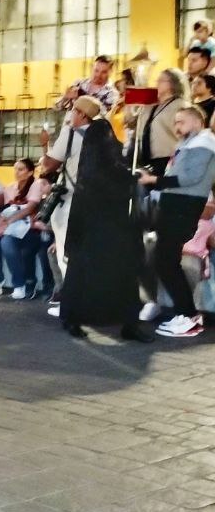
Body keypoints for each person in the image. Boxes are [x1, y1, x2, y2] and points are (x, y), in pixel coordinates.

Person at [58, 114, 152, 342]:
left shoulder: (88, 171)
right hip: (116, 233)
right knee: (125, 278)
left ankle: (72, 320)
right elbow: (121, 188)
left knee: (80, 279)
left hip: (92, 235)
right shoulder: (113, 169)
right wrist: (134, 178)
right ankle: (129, 324)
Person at [138, 106, 215, 338]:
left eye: (180, 122)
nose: (176, 127)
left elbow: (190, 177)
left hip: (182, 206)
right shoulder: (192, 144)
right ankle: (186, 315)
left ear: (195, 121)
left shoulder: (203, 144)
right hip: (175, 205)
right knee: (165, 260)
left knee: (165, 260)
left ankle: (188, 316)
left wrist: (153, 179)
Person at [42, 95, 101, 290]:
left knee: (66, 253)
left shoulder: (70, 134)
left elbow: (49, 165)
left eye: (74, 110)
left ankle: (73, 300)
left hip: (70, 200)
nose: (71, 114)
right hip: (94, 203)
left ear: (82, 115)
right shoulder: (102, 138)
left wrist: (45, 145)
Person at [0, 158, 48, 300]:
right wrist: (2, 221)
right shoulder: (10, 187)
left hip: (29, 228)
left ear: (30, 172)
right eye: (15, 169)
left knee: (7, 242)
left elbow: (29, 208)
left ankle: (19, 284)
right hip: (11, 226)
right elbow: (6, 210)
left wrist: (8, 222)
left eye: (21, 169)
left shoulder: (35, 185)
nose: (17, 172)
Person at [126, 67, 188, 177]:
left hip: (167, 158)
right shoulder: (151, 104)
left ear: (173, 83)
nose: (157, 83)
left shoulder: (181, 105)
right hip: (145, 158)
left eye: (162, 80)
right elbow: (131, 123)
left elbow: (185, 133)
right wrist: (131, 104)